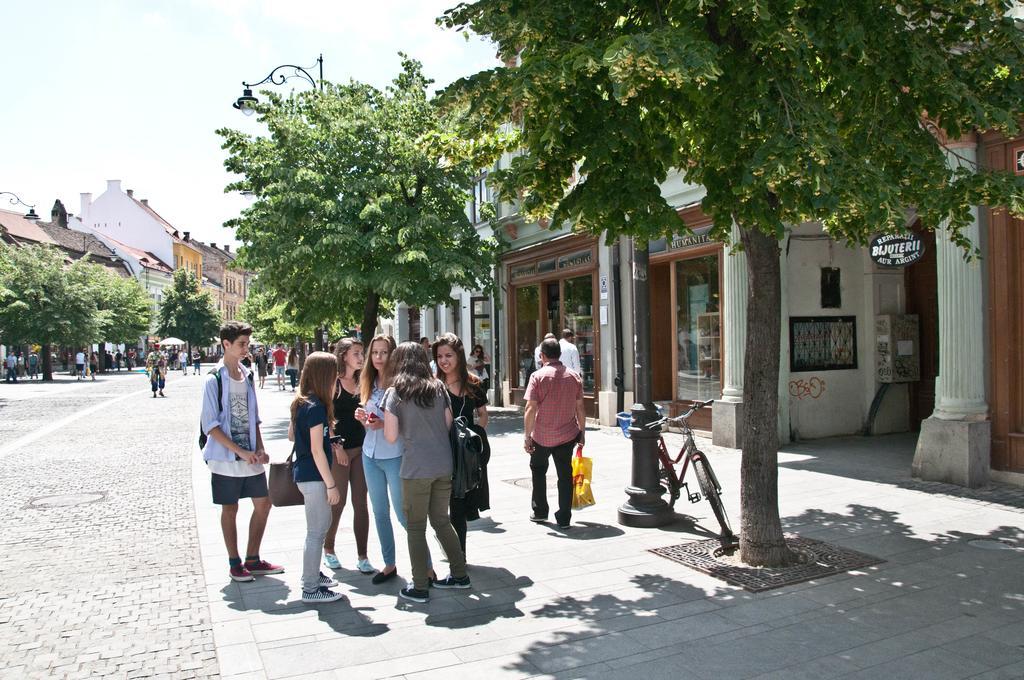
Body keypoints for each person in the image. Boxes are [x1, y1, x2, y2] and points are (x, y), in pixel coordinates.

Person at [382, 341, 470, 603]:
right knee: (442, 521)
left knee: (416, 527)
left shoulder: (395, 392)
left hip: (416, 468)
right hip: (443, 465)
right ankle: (460, 574)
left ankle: (420, 585)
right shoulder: (439, 387)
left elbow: (390, 436)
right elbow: (447, 425)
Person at [200, 321, 283, 585]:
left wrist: (259, 448)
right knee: (230, 508)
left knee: (263, 503)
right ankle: (234, 562)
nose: (247, 348)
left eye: (248, 344)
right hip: (225, 458)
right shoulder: (213, 379)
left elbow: (254, 417)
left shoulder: (247, 375)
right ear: (226, 344)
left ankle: (253, 558)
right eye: (242, 344)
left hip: (250, 457)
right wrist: (240, 451)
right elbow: (210, 425)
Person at [357, 335, 422, 586]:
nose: (379, 358)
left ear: (393, 355)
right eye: (375, 353)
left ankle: (425, 566)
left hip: (394, 456)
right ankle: (389, 564)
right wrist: (363, 418)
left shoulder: (401, 385)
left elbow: (411, 424)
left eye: (384, 352)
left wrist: (383, 424)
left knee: (403, 515)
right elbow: (369, 420)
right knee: (379, 512)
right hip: (370, 454)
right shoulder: (368, 382)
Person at [288, 351, 346, 604]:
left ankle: (314, 576)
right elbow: (315, 450)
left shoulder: (303, 402)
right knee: (316, 531)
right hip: (314, 477)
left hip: (307, 474)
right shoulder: (316, 407)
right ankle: (311, 587)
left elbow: (292, 435)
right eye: (335, 376)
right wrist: (331, 485)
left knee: (320, 528)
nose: (338, 380)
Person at [433, 333, 489, 557]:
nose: (443, 360)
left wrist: (476, 436)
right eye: (439, 356)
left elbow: (483, 414)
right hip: (441, 451)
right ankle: (452, 547)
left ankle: (459, 554)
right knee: (442, 506)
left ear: (459, 355)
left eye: (448, 355)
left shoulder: (473, 382)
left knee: (459, 503)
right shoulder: (434, 385)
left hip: (464, 454)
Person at [322, 338, 374, 574]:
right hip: (339, 450)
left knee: (360, 503)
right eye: (356, 353)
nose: (361, 357)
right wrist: (336, 446)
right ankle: (329, 548)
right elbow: (327, 417)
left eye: (362, 353)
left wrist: (369, 420)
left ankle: (363, 556)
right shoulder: (334, 383)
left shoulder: (363, 381)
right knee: (338, 502)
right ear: (344, 355)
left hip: (362, 448)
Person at [523, 338, 586, 529]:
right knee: (565, 475)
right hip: (567, 434)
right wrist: (582, 433)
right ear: (559, 354)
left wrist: (527, 436)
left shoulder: (537, 376)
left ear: (542, 356)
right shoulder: (574, 376)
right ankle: (564, 516)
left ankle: (540, 511)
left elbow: (530, 408)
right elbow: (580, 408)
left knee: (538, 471)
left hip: (541, 435)